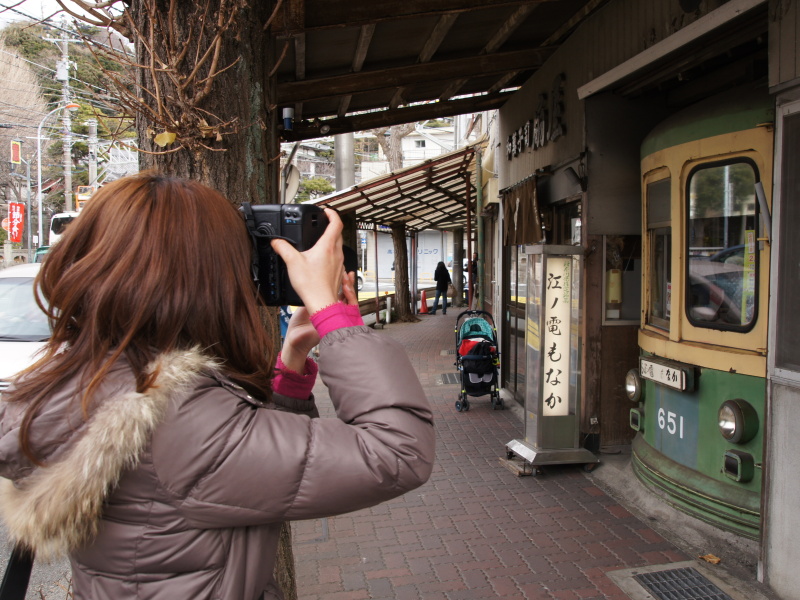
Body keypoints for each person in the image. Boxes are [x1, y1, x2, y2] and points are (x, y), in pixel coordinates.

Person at [0, 173, 435, 600]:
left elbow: (240, 466)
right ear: (211, 278)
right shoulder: (177, 422)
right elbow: (397, 452)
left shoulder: (90, 381)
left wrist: (290, 366)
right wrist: (331, 314)